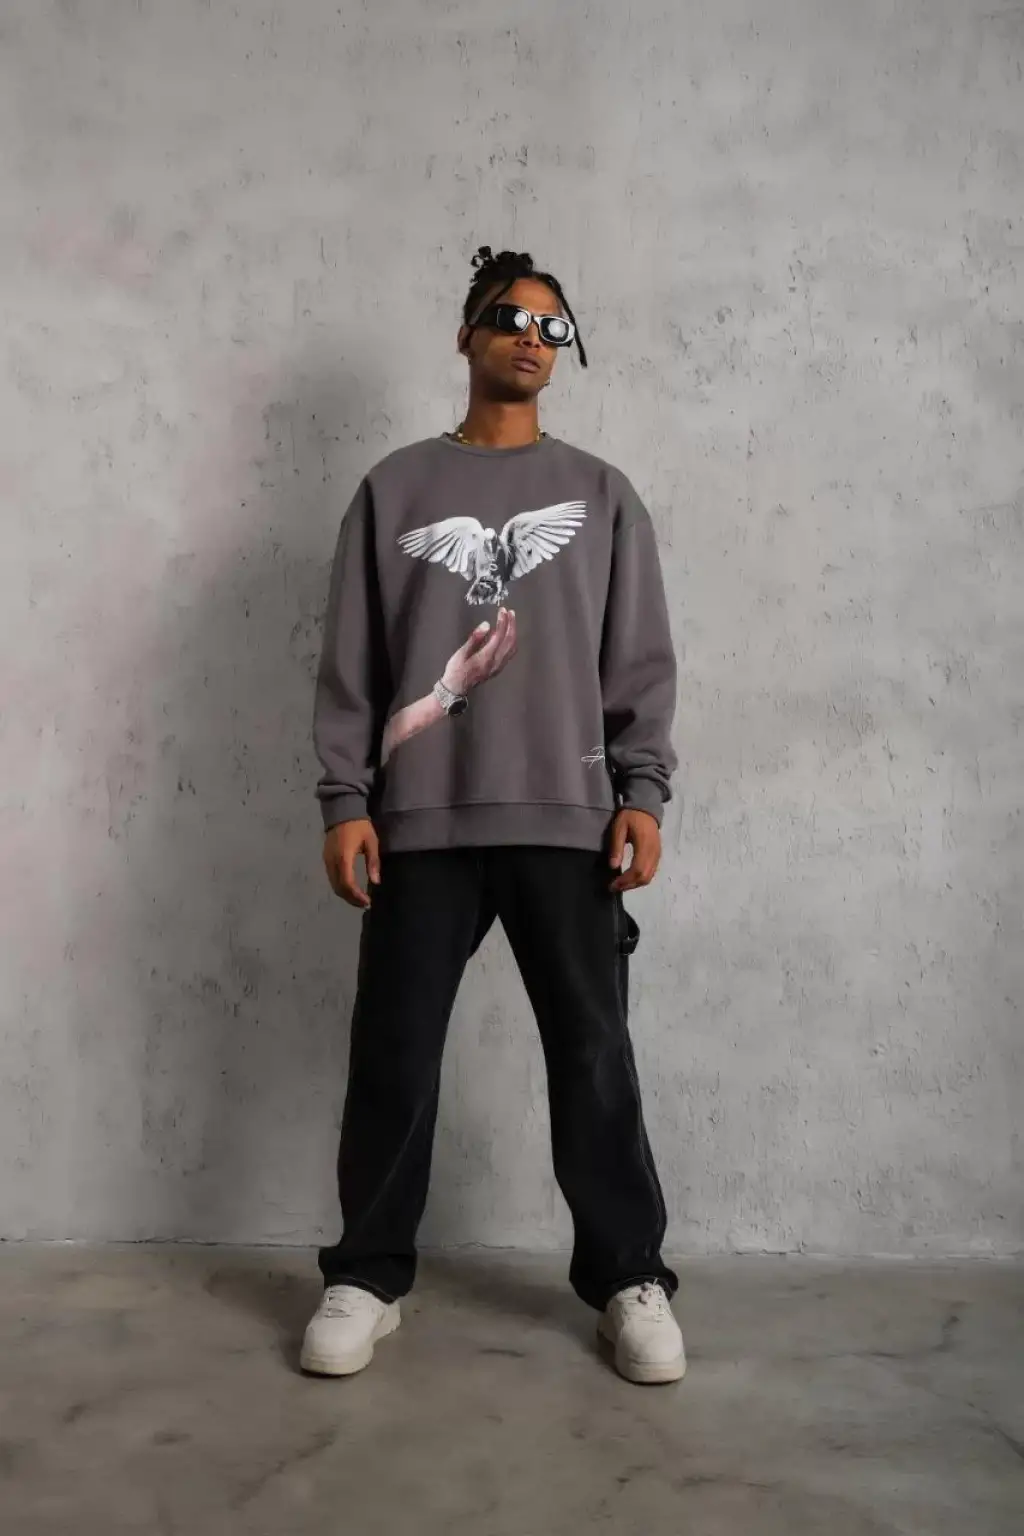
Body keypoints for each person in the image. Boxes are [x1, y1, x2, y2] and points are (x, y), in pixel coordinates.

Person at [302, 246, 684, 1385]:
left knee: (594, 1057)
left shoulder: (603, 495)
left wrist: (642, 793)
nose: (532, 337)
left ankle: (629, 1276)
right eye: (511, 318)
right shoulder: (395, 489)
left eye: (553, 327)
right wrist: (345, 799)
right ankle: (368, 1276)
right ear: (466, 334)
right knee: (394, 1055)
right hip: (420, 820)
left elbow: (637, 660)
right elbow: (352, 660)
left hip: (570, 819)